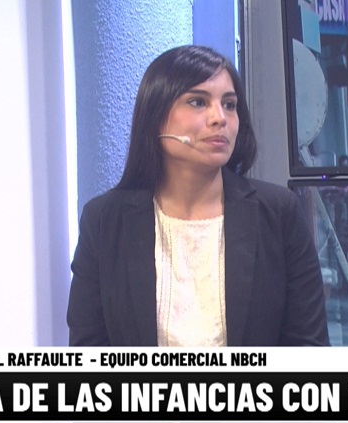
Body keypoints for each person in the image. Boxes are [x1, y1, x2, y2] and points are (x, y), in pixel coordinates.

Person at [68, 46, 329, 345]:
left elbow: (309, 348)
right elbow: (88, 353)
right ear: (155, 116)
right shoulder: (104, 221)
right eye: (198, 102)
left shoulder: (279, 213)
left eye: (229, 105)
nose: (220, 118)